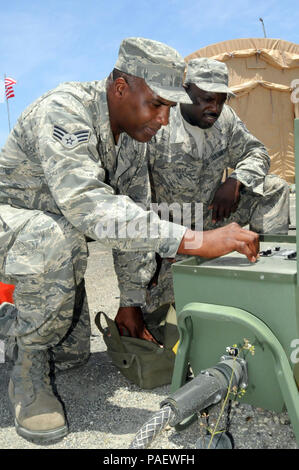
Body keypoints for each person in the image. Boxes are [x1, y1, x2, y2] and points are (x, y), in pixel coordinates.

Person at [0, 40, 259, 443]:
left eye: (170, 108)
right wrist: (195, 240)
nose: (162, 118)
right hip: (15, 229)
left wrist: (131, 302)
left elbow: (135, 218)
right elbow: (90, 207)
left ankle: (15, 322)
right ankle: (26, 370)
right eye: (156, 104)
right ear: (120, 88)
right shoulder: (65, 110)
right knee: (54, 238)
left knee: (71, 357)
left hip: (52, 239)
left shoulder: (133, 142)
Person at [114, 57, 289, 326]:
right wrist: (134, 291)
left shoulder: (225, 120)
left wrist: (236, 180)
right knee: (163, 317)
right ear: (185, 92)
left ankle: (268, 273)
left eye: (221, 100)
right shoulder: (157, 122)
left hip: (212, 216)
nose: (214, 108)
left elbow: (257, 152)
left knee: (274, 187)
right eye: (206, 99)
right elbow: (130, 206)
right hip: (170, 232)